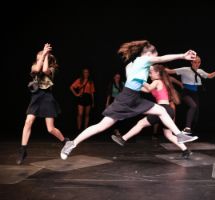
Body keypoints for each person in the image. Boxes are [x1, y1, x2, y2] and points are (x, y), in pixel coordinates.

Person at [60, 40, 198, 160]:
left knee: (162, 110)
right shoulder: (144, 60)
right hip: (126, 98)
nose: (154, 60)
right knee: (101, 126)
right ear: (149, 55)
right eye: (154, 56)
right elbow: (162, 59)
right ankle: (71, 143)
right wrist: (182, 56)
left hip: (134, 97)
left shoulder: (133, 65)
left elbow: (136, 79)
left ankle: (179, 135)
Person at [112, 65, 192, 159]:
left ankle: (123, 139)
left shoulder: (157, 81)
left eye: (151, 72)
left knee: (141, 123)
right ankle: (186, 150)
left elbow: (149, 88)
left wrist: (138, 79)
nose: (150, 75)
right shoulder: (161, 82)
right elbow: (146, 89)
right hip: (168, 110)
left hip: (163, 109)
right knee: (169, 135)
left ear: (157, 73)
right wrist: (133, 83)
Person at [17, 43, 69, 165]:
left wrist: (45, 55)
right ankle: (23, 149)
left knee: (50, 129)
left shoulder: (53, 69)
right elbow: (38, 68)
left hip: (47, 97)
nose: (39, 57)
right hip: (36, 97)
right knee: (28, 121)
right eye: (39, 56)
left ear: (48, 58)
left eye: (42, 55)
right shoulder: (34, 66)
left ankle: (65, 141)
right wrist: (43, 55)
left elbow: (45, 70)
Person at [165, 56, 215, 134]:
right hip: (186, 92)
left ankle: (189, 132)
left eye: (199, 62)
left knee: (196, 115)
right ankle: (187, 128)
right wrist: (158, 67)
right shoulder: (185, 69)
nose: (197, 64)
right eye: (195, 62)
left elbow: (210, 76)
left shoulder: (200, 71)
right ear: (191, 62)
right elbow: (170, 71)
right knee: (193, 106)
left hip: (195, 93)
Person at [70, 68, 95, 132]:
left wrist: (93, 102)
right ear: (83, 73)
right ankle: (79, 128)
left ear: (89, 74)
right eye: (84, 72)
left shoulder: (90, 81)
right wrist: (76, 94)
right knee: (80, 114)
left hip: (88, 97)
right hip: (81, 97)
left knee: (87, 114)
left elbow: (92, 93)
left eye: (87, 72)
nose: (86, 73)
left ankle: (85, 128)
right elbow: (71, 87)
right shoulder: (79, 80)